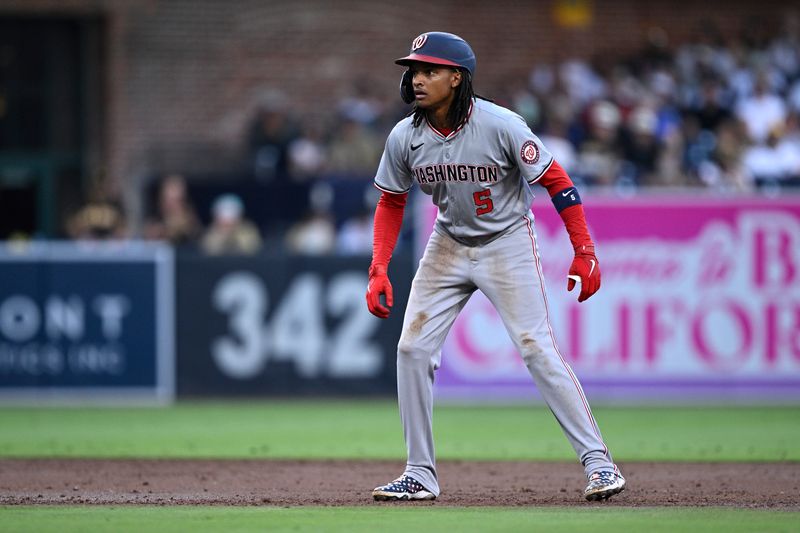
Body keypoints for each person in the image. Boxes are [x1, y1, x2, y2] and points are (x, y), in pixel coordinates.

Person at [366, 32, 625, 503]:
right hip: (447, 241)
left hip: (507, 240)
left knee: (535, 347)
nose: (417, 79)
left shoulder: (501, 124)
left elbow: (558, 182)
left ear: (456, 77)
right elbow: (390, 200)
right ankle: (419, 472)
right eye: (414, 70)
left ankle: (599, 464)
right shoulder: (405, 136)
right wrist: (378, 267)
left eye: (428, 70)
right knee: (411, 349)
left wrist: (584, 250)